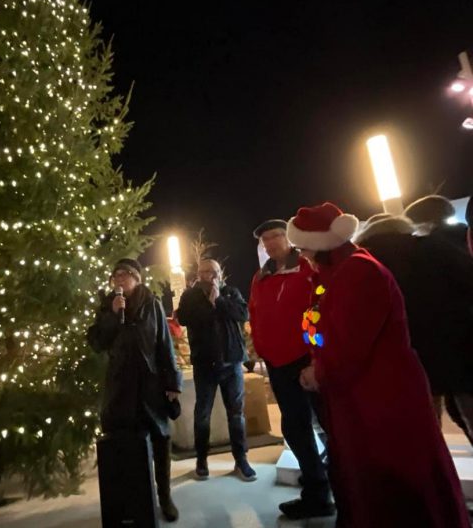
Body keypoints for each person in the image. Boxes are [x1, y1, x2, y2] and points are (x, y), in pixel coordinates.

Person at [288, 202, 469, 528]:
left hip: (383, 396)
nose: (303, 256)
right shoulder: (327, 276)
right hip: (357, 397)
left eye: (305, 248)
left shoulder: (360, 271)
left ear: (323, 242)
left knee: (399, 483)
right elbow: (317, 327)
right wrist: (316, 353)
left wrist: (320, 371)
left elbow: (352, 344)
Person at [356, 213, 473, 444]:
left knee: (426, 431)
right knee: (467, 412)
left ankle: (439, 476)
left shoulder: (366, 263)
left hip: (408, 358)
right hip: (459, 349)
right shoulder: (435, 248)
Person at [249, 219, 333, 520]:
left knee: (329, 424)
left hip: (306, 362)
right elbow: (256, 313)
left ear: (288, 238)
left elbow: (319, 310)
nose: (271, 243)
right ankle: (316, 489)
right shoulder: (260, 277)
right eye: (265, 240)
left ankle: (340, 485)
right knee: (295, 428)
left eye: (275, 236)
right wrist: (261, 347)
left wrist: (315, 355)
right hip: (277, 364)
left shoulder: (310, 271)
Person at [87, 258, 183, 522]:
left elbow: (164, 344)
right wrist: (112, 317)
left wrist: (172, 382)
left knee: (161, 440)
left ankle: (165, 497)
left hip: (151, 385)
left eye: (126, 274)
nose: (120, 279)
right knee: (125, 444)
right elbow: (97, 343)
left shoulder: (151, 304)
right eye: (116, 275)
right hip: (120, 387)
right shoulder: (107, 307)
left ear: (137, 279)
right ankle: (135, 499)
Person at [176, 258, 256, 481]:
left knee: (236, 414)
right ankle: (202, 460)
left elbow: (243, 314)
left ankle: (241, 460)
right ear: (198, 274)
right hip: (205, 364)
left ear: (220, 273)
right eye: (203, 272)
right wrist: (209, 305)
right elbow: (183, 318)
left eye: (212, 272)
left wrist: (219, 301)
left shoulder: (230, 292)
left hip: (232, 363)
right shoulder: (190, 296)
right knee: (203, 414)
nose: (208, 276)